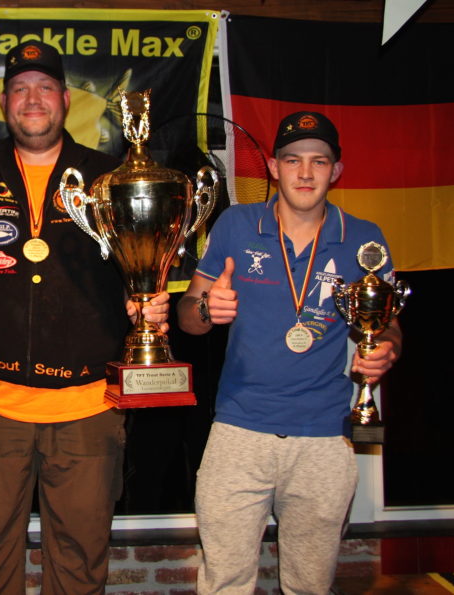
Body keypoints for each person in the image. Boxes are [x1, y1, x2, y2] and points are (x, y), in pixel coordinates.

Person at [0, 41, 169, 594]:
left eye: (44, 88)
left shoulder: (109, 178)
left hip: (88, 406)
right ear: (4, 103)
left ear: (65, 100)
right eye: (20, 89)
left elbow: (137, 272)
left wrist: (146, 302)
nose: (33, 100)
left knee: (79, 560)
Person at [177, 111, 402, 594]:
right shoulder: (237, 224)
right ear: (274, 168)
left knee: (310, 585)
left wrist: (383, 349)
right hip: (238, 432)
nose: (304, 173)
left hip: (323, 439)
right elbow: (188, 322)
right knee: (223, 582)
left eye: (318, 162)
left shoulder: (364, 238)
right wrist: (206, 305)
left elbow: (389, 328)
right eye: (292, 160)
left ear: (336, 171)